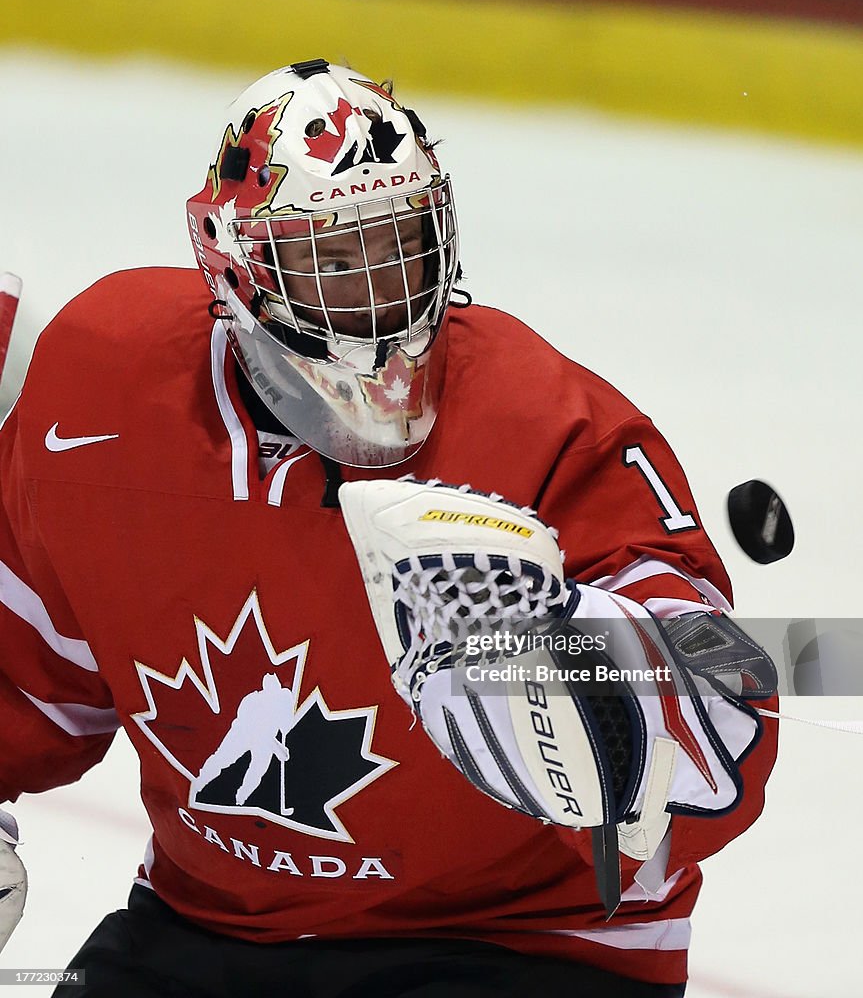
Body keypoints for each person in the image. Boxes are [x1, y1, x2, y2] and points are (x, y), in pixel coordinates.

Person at [0, 59, 777, 997]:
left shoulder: (548, 425)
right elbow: (32, 669)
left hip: (519, 940)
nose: (377, 296)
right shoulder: (106, 392)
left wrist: (589, 682)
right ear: (232, 261)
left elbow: (726, 726)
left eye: (398, 247)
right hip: (212, 925)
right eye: (331, 260)